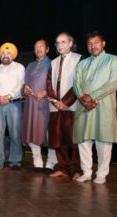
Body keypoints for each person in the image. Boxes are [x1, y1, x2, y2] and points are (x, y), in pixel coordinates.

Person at [74, 32, 117, 184]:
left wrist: (92, 96)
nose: (93, 46)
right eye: (89, 43)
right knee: (83, 140)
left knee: (103, 140)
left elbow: (113, 83)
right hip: (83, 106)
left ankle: (101, 174)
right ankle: (86, 172)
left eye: (96, 42)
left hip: (104, 106)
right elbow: (76, 83)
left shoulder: (113, 60)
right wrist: (83, 98)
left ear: (104, 43)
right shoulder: (82, 63)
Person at [46, 32, 82, 179]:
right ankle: (63, 168)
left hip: (71, 106)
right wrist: (55, 101)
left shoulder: (79, 59)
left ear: (70, 43)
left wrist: (65, 102)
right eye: (58, 43)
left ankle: (77, 169)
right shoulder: (53, 62)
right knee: (58, 139)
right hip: (56, 107)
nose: (60, 45)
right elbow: (49, 84)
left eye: (63, 42)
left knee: (73, 139)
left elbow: (78, 84)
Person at [22, 39, 58, 173]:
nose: (38, 49)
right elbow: (24, 83)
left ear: (47, 49)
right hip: (31, 104)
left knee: (49, 133)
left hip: (47, 104)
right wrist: (24, 89)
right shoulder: (30, 65)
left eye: (41, 46)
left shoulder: (53, 64)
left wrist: (46, 91)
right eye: (36, 47)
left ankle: (51, 161)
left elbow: (58, 84)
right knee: (31, 131)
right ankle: (37, 162)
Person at [0, 42, 25, 170]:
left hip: (13, 103)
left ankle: (15, 161)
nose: (6, 55)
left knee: (15, 133)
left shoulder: (19, 67)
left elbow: (20, 84)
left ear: (13, 55)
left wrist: (8, 96)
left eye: (8, 53)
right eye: (3, 53)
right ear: (0, 55)